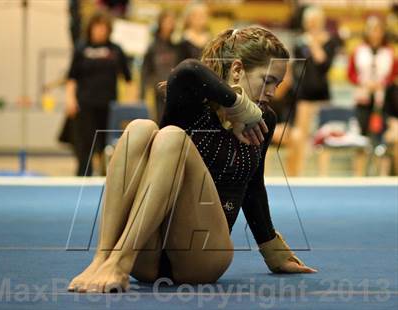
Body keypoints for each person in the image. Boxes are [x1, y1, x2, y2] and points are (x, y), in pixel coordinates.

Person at [67, 25, 317, 294]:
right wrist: (238, 106)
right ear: (236, 70)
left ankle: (120, 260)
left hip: (202, 256)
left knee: (172, 136)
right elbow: (187, 70)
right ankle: (103, 258)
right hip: (148, 254)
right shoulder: (193, 103)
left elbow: (253, 187)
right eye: (267, 81)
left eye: (277, 85)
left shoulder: (263, 120)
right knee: (140, 128)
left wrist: (273, 251)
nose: (272, 92)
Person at [65, 11, 132, 176]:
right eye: (97, 27)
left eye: (103, 28)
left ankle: (107, 176)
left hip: (110, 105)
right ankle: (83, 175)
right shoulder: (81, 48)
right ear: (91, 29)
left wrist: (129, 104)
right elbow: (72, 77)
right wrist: (70, 100)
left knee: (107, 144)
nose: (100, 31)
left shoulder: (116, 50)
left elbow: (128, 79)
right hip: (85, 103)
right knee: (85, 143)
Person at [293, 6, 339, 174]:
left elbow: (323, 63)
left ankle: (323, 173)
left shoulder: (330, 41)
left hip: (322, 93)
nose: (311, 25)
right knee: (302, 134)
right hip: (304, 93)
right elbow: (297, 65)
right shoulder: (299, 41)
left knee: (323, 136)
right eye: (309, 22)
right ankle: (299, 172)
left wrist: (313, 41)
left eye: (315, 21)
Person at [348, 16, 397, 142]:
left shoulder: (390, 52)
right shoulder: (358, 50)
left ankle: (382, 159)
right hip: (363, 97)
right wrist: (363, 82)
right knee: (361, 134)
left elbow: (394, 74)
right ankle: (361, 159)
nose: (375, 33)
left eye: (378, 30)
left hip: (383, 99)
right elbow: (351, 73)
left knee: (382, 133)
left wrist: (382, 84)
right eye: (372, 29)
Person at [140, 9, 181, 122]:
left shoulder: (177, 46)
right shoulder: (152, 47)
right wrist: (143, 94)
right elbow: (145, 71)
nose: (170, 24)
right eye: (167, 21)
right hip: (157, 93)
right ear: (160, 23)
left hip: (174, 92)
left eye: (172, 21)